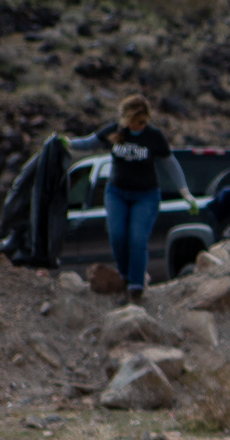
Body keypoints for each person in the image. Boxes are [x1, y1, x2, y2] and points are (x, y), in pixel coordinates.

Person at [62, 94, 191, 301]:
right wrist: (66, 142)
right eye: (136, 121)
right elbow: (88, 143)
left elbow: (170, 164)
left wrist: (185, 192)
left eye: (144, 122)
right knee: (118, 236)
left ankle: (136, 286)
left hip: (146, 195)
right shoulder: (115, 131)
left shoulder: (154, 137)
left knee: (137, 239)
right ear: (127, 119)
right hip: (117, 193)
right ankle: (125, 277)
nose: (140, 125)